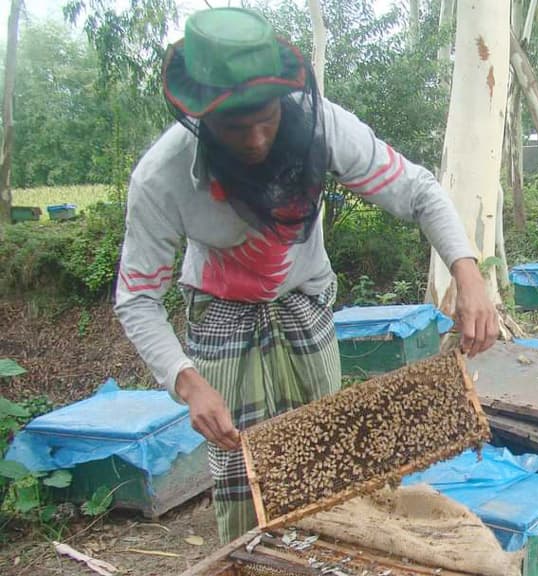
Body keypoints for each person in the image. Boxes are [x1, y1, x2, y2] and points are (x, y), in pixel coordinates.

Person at [114, 7, 499, 543]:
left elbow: (417, 190)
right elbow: (136, 298)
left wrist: (469, 275)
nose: (254, 139)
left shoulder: (325, 127)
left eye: (266, 119)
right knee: (239, 471)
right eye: (234, 126)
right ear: (201, 117)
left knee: (328, 457)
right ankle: (253, 556)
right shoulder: (163, 176)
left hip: (302, 301)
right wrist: (187, 380)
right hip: (222, 316)